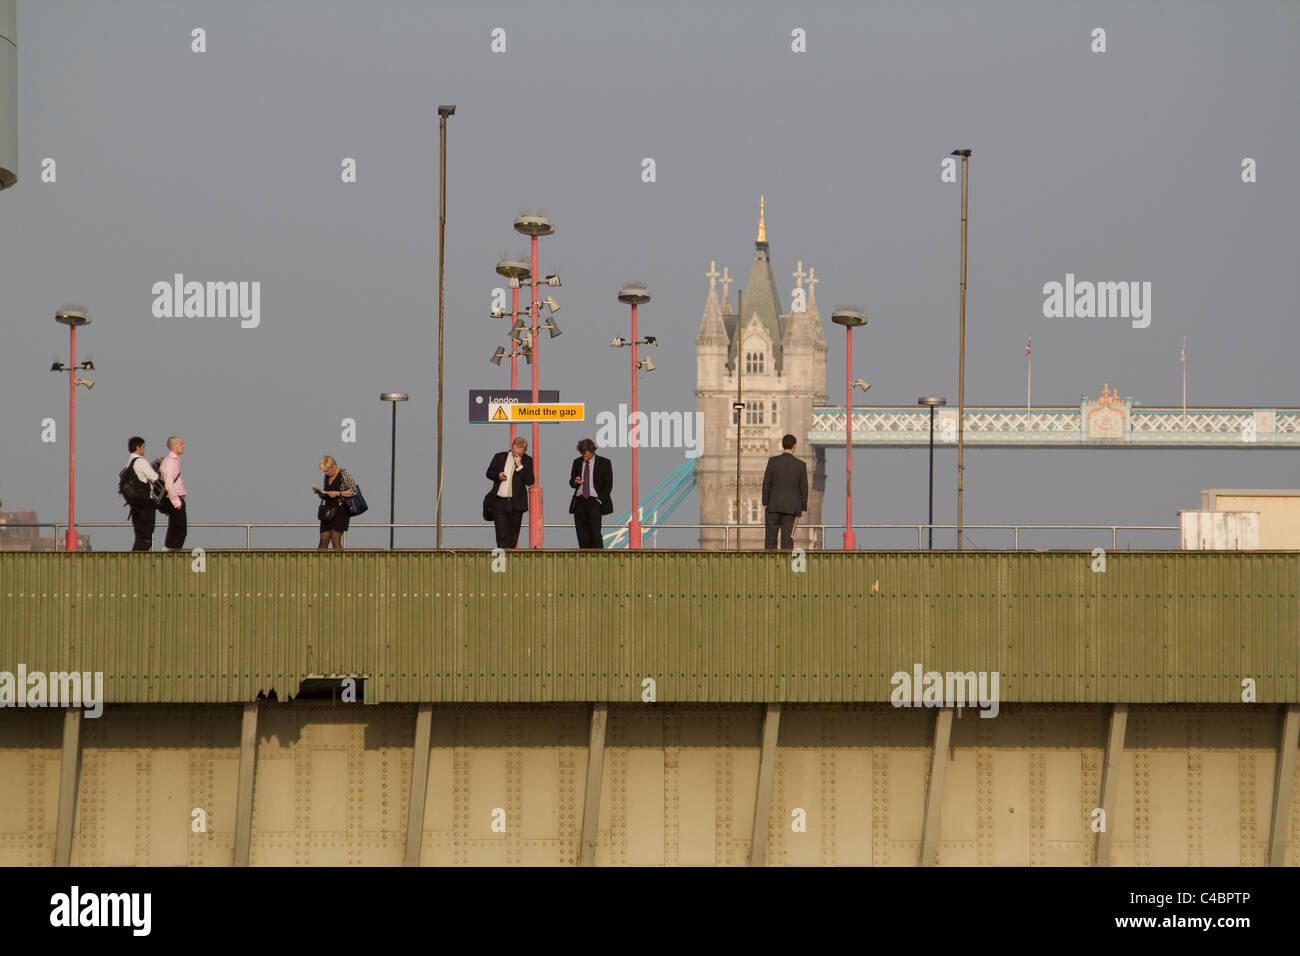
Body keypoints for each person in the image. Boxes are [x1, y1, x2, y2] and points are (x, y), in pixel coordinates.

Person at [761, 433, 808, 551]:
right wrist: (803, 507)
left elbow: (766, 483)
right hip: (791, 508)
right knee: (787, 539)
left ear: (782, 445)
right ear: (794, 446)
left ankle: (769, 565)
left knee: (770, 539)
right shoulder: (801, 465)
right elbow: (804, 487)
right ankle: (785, 566)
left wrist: (765, 502)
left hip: (773, 505)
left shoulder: (772, 461)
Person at [486, 437, 534, 549]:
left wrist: (519, 465)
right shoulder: (499, 457)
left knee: (513, 536)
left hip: (516, 504)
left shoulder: (528, 461)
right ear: (511, 446)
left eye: (519, 453)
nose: (515, 454)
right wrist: (498, 475)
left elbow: (530, 481)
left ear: (524, 451)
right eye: (514, 452)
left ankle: (510, 559)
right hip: (500, 501)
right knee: (501, 535)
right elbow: (489, 473)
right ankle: (502, 559)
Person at [569, 438, 613, 549]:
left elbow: (608, 485)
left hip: (595, 501)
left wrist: (599, 501)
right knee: (581, 533)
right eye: (582, 454)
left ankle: (598, 558)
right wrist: (575, 481)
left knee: (595, 531)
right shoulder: (577, 462)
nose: (585, 457)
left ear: (592, 450)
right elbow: (571, 482)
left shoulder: (604, 463)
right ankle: (584, 558)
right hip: (579, 500)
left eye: (587, 455)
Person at [313, 455, 358, 550]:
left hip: (340, 511)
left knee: (335, 539)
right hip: (328, 511)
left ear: (333, 466)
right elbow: (327, 495)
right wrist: (319, 492)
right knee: (323, 539)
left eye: (327, 470)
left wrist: (338, 493)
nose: (326, 473)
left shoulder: (344, 474)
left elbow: (353, 491)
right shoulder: (327, 477)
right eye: (324, 471)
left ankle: (340, 564)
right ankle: (318, 563)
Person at [125, 436, 161, 551]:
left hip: (135, 506)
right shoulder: (140, 461)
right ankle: (137, 565)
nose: (144, 450)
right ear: (138, 447)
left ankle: (134, 563)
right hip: (145, 504)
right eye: (143, 447)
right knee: (146, 538)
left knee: (139, 536)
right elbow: (154, 478)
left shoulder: (128, 463)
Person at [158, 435, 188, 551]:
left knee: (174, 529)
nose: (184, 446)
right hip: (174, 499)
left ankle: (168, 549)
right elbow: (169, 485)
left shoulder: (172, 461)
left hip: (174, 499)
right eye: (181, 444)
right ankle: (173, 554)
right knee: (181, 530)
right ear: (175, 446)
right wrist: (177, 502)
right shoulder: (170, 462)